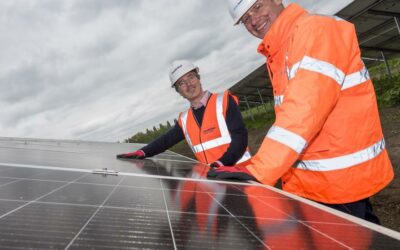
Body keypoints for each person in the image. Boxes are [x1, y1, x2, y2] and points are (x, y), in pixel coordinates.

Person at [209, 0, 394, 223]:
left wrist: (259, 170)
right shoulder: (279, 49)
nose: (253, 21)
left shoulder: (315, 29)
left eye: (257, 8)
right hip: (317, 182)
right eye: (245, 19)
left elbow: (305, 107)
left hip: (339, 181)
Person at [117, 60, 251, 169]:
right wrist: (143, 152)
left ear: (198, 78)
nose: (188, 84)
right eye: (181, 83)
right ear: (179, 92)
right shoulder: (185, 120)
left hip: (240, 175)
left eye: (191, 77)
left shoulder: (223, 101)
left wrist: (222, 163)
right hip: (214, 180)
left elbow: (240, 136)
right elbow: (165, 141)